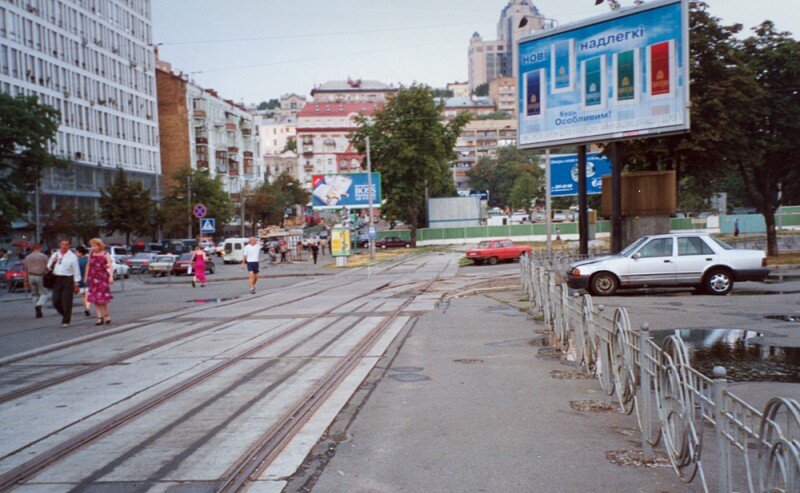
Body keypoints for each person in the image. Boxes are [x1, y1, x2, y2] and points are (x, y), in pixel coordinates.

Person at [48, 238, 81, 327]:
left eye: (66, 245)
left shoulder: (72, 256)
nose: (64, 246)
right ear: (60, 244)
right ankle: (65, 314)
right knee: (55, 300)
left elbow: (76, 270)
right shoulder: (55, 254)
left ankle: (66, 320)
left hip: (68, 279)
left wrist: (76, 283)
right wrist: (53, 262)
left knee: (66, 300)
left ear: (69, 245)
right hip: (57, 279)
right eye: (63, 244)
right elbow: (48, 268)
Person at [86, 238, 114, 325]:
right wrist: (86, 276)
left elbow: (110, 266)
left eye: (95, 245)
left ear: (99, 245)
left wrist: (111, 276)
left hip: (103, 278)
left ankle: (107, 316)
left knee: (103, 298)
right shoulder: (91, 254)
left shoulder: (105, 254)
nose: (93, 247)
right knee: (95, 299)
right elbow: (88, 265)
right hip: (93, 278)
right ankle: (99, 317)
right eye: (92, 246)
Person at [22, 243, 49, 319]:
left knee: (34, 294)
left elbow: (25, 270)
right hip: (40, 276)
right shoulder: (43, 256)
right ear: (39, 248)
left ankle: (37, 311)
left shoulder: (27, 257)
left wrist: (25, 281)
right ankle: (39, 305)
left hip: (30, 276)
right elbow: (48, 267)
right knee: (44, 293)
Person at [75, 245, 91, 317]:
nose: (76, 253)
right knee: (87, 294)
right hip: (88, 278)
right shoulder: (88, 259)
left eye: (77, 252)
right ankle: (87, 307)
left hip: (79, 280)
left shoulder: (76, 261)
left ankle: (85, 309)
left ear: (80, 253)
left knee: (83, 295)